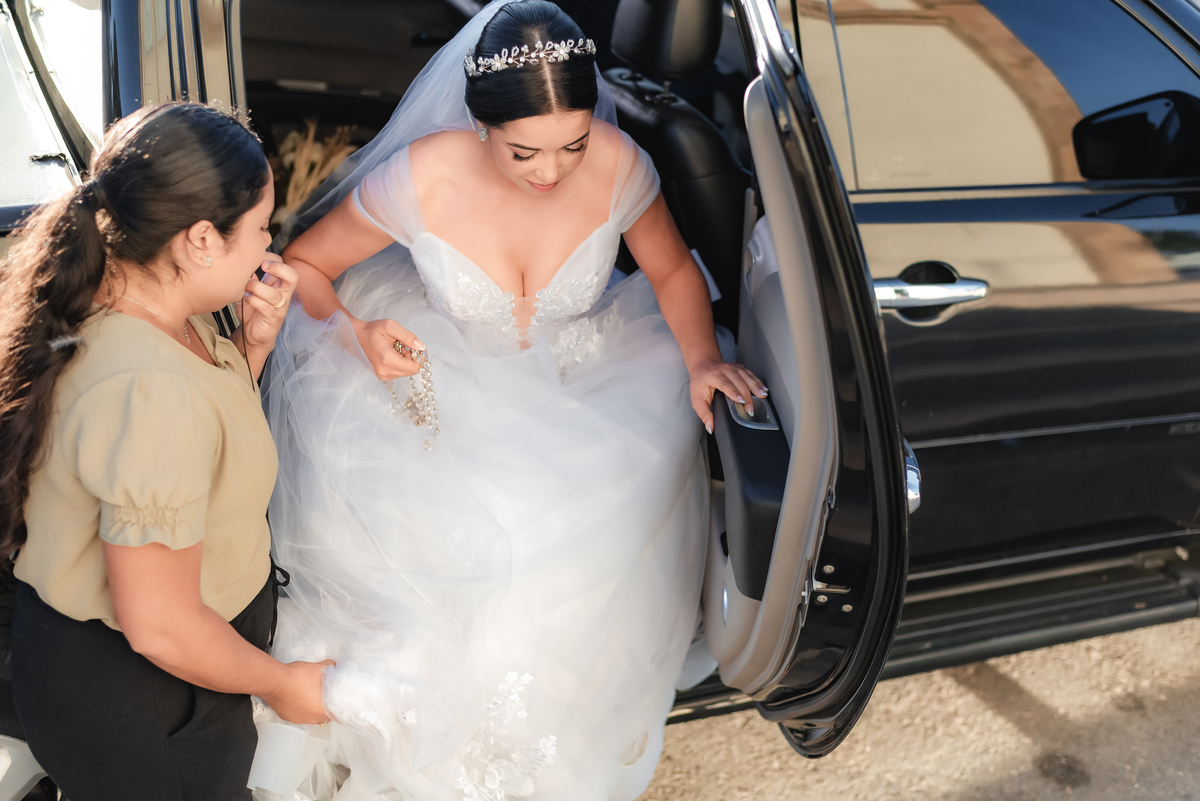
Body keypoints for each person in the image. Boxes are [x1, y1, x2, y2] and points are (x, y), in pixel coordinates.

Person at [261, 2, 768, 799]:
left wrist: (703, 358)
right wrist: (357, 334)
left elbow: (672, 272)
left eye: (571, 143)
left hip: (583, 379)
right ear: (478, 124)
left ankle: (543, 754)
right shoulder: (422, 175)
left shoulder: (618, 161)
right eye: (524, 151)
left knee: (588, 506)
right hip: (442, 381)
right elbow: (304, 266)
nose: (551, 171)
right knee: (467, 532)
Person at [0, 103, 334, 801]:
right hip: (148, 702)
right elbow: (161, 624)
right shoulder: (150, 389)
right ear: (202, 239)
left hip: (145, 680)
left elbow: (182, 448)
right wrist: (284, 684)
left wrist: (249, 351)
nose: (269, 247)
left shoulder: (126, 304)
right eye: (261, 227)